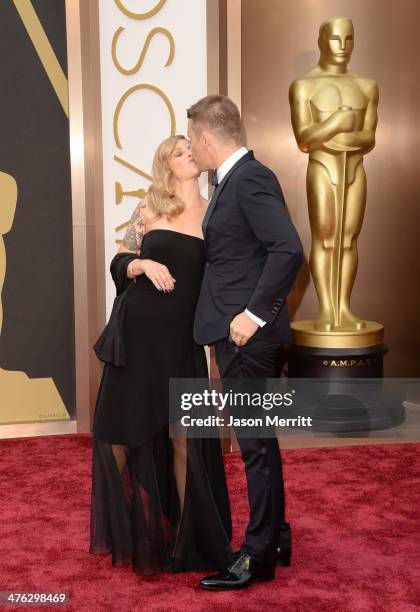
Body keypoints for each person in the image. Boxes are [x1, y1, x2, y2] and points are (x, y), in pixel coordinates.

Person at [89, 135, 232, 575]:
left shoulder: (214, 212)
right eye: (178, 151)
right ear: (165, 163)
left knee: (184, 440)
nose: (188, 155)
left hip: (183, 343)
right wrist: (142, 265)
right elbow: (120, 260)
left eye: (192, 149)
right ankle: (126, 532)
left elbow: (223, 276)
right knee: (116, 435)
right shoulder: (148, 207)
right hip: (135, 338)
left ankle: (188, 541)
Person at [187, 95, 303, 590]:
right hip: (237, 332)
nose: (191, 148)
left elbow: (288, 248)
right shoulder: (234, 180)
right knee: (261, 440)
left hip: (245, 337)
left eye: (193, 139)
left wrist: (251, 317)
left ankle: (256, 555)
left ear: (209, 138)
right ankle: (274, 535)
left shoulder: (249, 178)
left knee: (254, 444)